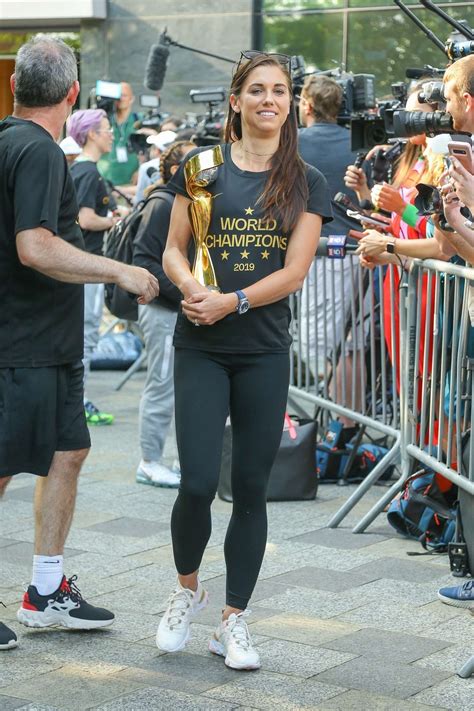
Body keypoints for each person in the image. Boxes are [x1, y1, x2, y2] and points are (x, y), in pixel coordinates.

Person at [158, 51, 332, 670]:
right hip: (199, 345)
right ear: (234, 101)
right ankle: (187, 592)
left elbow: (294, 272)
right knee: (198, 482)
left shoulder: (307, 179)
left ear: (290, 103)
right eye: (256, 90)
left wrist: (229, 302)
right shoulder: (201, 169)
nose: (269, 100)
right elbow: (174, 249)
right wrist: (190, 290)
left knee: (251, 489)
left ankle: (234, 618)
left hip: (262, 349)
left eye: (280, 91)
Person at [0, 34, 159, 644]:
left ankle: (44, 589)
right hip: (23, 344)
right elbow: (34, 246)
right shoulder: (35, 150)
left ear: (16, 85)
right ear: (72, 94)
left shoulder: (19, 143)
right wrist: (118, 269)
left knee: (69, 453)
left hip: (48, 344)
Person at [298, 74, 371, 438]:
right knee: (352, 343)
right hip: (359, 254)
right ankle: (347, 421)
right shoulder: (357, 143)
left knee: (313, 344)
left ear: (307, 106)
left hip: (323, 257)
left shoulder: (292, 143)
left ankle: (338, 413)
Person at [134, 140, 195, 488]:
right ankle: (149, 461)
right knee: (161, 382)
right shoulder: (161, 204)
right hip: (162, 309)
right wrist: (187, 291)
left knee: (180, 385)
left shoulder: (186, 203)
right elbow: (143, 260)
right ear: (175, 170)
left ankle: (177, 459)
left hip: (181, 307)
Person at [67, 108, 120, 426]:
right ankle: (78, 401)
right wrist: (112, 221)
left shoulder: (83, 169)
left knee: (84, 335)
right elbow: (86, 219)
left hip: (82, 264)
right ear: (90, 135)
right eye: (105, 128)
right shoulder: (87, 171)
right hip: (86, 264)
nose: (111, 133)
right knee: (85, 336)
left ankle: (75, 399)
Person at [97, 82, 140, 191]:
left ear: (132, 98)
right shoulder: (105, 120)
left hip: (129, 182)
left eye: (124, 95)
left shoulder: (138, 120)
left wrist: (141, 169)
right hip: (105, 178)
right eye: (118, 96)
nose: (121, 99)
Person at [133, 129, 177, 206]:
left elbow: (139, 200)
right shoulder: (181, 164)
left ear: (157, 150)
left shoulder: (146, 167)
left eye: (152, 147)